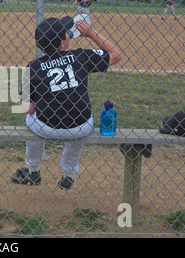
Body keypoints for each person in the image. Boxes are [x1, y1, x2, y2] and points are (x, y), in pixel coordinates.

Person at [12, 16, 122, 190]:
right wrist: (90, 33)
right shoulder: (80, 56)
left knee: (31, 123)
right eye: (66, 33)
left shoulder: (32, 67)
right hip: (80, 126)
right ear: (63, 43)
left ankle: (33, 169)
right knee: (78, 127)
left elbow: (28, 108)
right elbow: (116, 54)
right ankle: (68, 174)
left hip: (46, 127)